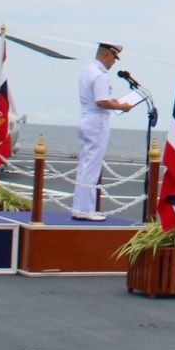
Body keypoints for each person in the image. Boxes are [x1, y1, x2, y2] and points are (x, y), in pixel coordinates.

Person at [72, 43, 133, 220]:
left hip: (85, 118)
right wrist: (121, 106)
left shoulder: (87, 70)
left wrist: (111, 101)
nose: (114, 63)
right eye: (114, 58)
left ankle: (79, 207)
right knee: (92, 166)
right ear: (106, 55)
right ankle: (86, 209)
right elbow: (101, 102)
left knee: (85, 164)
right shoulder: (100, 75)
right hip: (97, 121)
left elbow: (97, 98)